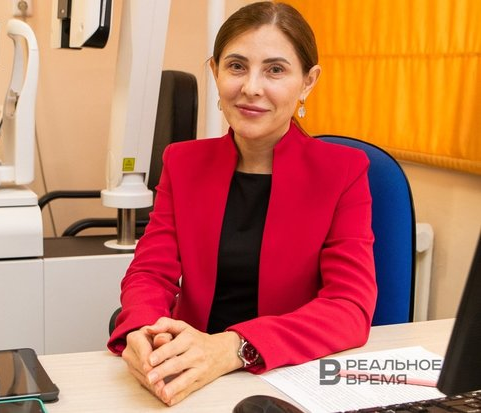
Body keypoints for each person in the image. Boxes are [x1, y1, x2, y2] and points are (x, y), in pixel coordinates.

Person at [107, 1, 377, 406]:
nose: (251, 87)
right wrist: (144, 330)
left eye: (275, 70)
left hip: (284, 378)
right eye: (236, 66)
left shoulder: (343, 171)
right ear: (215, 71)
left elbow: (349, 307)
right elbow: (150, 272)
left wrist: (233, 347)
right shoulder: (182, 163)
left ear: (308, 82)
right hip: (188, 373)